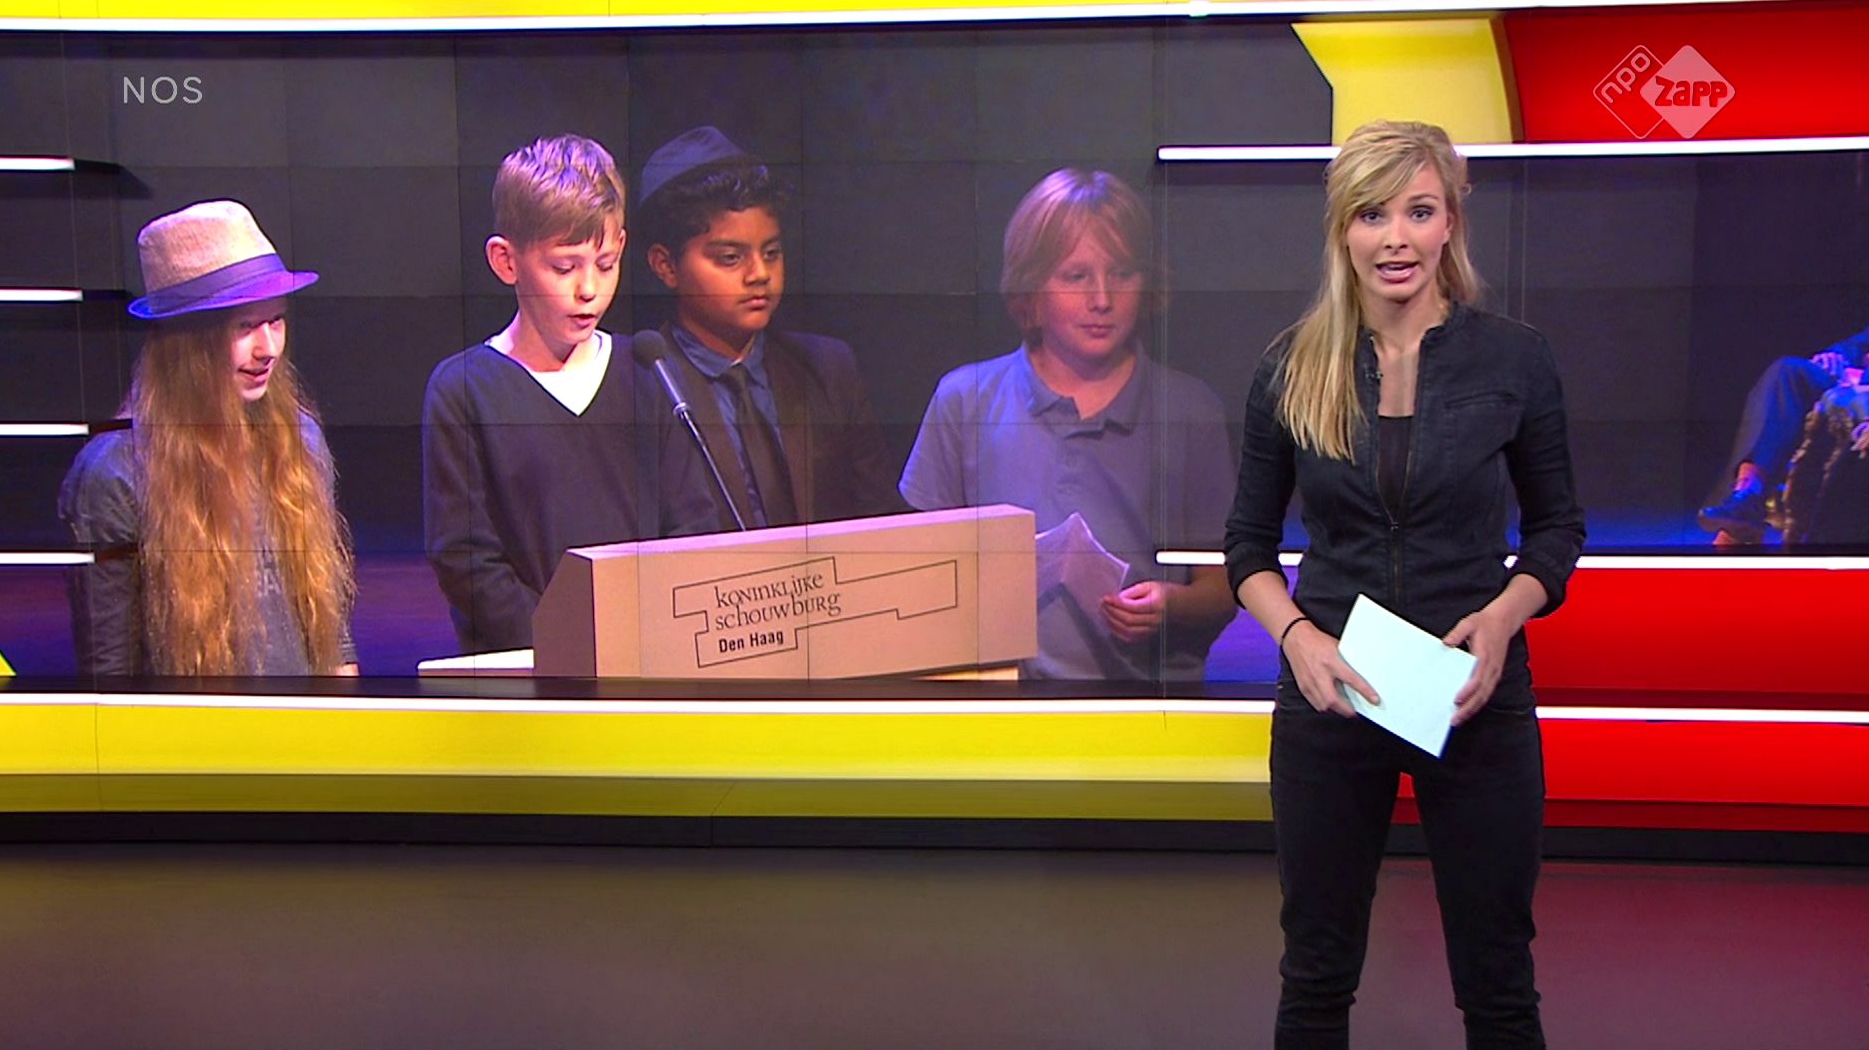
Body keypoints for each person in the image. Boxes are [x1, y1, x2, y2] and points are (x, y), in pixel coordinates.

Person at [1224, 120, 1584, 1049]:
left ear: (1450, 222)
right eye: (1372, 214)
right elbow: (1247, 548)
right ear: (1342, 229)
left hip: (1474, 695)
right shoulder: (1289, 366)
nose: (1396, 238)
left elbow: (1557, 530)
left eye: (1418, 212)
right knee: (1315, 976)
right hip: (1332, 697)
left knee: (1499, 981)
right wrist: (1299, 640)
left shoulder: (1514, 359)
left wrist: (1504, 617)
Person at [901, 168, 1235, 681]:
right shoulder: (964, 400)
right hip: (998, 708)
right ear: (1032, 289)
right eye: (1076, 276)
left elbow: (1225, 588)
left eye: (1121, 274)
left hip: (1147, 708)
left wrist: (1172, 605)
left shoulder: (1190, 410)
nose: (1101, 299)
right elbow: (917, 580)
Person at [422, 134, 709, 655]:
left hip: (650, 659)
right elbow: (467, 559)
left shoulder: (650, 371)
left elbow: (692, 526)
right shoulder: (464, 390)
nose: (588, 289)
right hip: (530, 668)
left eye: (605, 264)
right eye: (564, 267)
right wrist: (569, 645)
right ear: (506, 261)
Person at [59, 200, 358, 676]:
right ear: (187, 344)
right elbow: (109, 674)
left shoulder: (299, 438)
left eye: (276, 321)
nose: (268, 349)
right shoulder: (114, 476)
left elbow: (332, 633)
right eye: (245, 326)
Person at [638, 125, 902, 530]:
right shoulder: (645, 386)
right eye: (730, 258)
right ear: (666, 265)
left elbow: (883, 520)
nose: (759, 274)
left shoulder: (827, 368)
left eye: (772, 252)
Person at [1698, 315, 1869, 543]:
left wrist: (1866, 378)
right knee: (1788, 372)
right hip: (1854, 384)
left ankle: (1740, 524)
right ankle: (1747, 495)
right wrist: (1835, 357)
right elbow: (1859, 344)